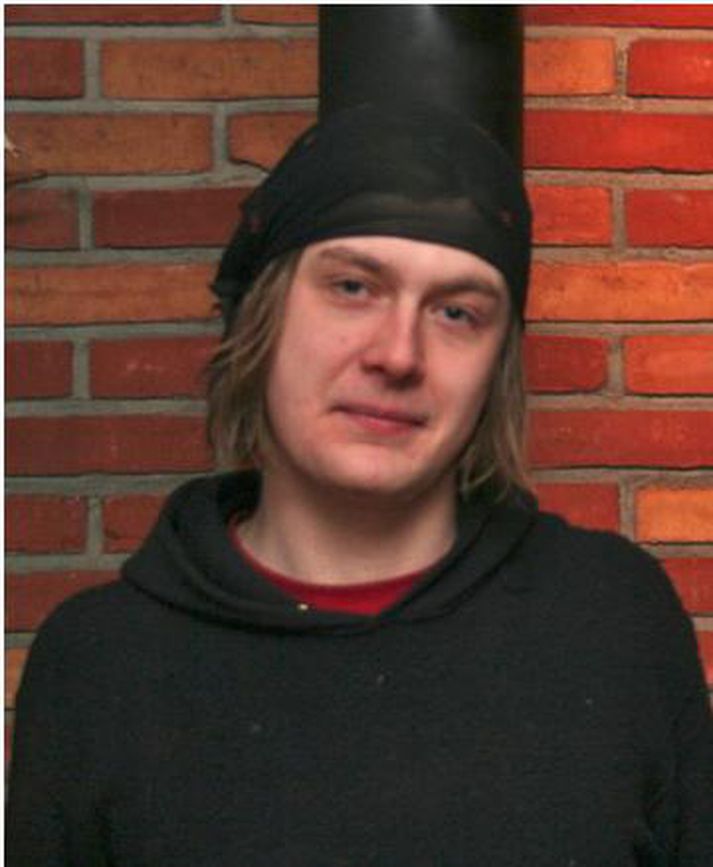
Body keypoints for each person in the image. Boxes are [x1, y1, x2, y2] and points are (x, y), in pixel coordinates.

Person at [7, 103, 713, 866]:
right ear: (261, 315)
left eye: (456, 312)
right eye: (352, 286)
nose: (398, 353)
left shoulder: (612, 622)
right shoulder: (101, 665)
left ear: (495, 365)